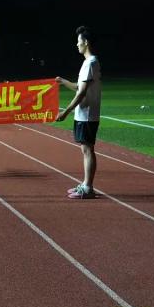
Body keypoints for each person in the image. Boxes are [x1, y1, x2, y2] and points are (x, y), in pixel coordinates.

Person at [55, 26, 102, 200]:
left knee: (87, 150)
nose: (77, 44)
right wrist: (63, 81)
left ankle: (88, 188)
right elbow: (78, 87)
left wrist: (65, 112)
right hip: (84, 114)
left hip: (87, 114)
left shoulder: (91, 63)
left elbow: (81, 93)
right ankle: (85, 184)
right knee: (85, 149)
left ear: (86, 42)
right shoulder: (88, 62)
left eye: (78, 41)